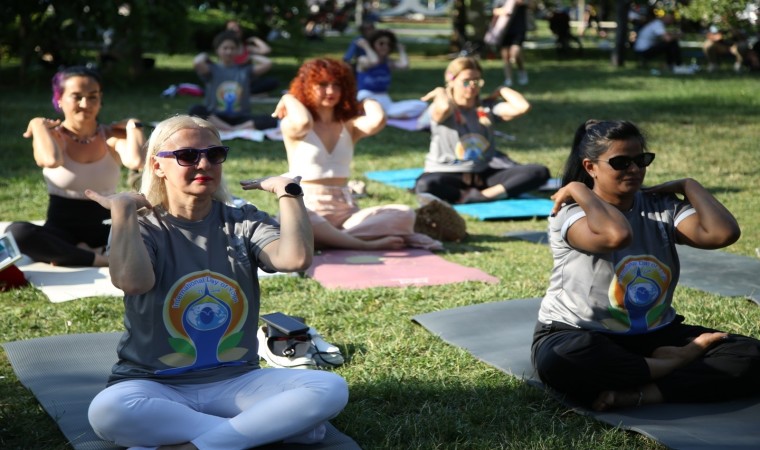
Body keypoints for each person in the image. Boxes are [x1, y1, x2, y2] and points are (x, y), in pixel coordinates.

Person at [85, 115, 349, 448]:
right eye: (187, 156)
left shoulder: (242, 221)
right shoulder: (143, 226)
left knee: (330, 388)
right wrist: (122, 215)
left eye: (214, 154)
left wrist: (289, 193)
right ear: (157, 166)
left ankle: (203, 443)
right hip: (154, 383)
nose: (204, 163)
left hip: (237, 381)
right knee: (108, 411)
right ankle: (263, 432)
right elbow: (133, 283)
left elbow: (294, 259)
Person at [531, 119, 760, 411]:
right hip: (580, 334)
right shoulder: (571, 214)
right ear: (591, 167)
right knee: (566, 360)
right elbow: (618, 235)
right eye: (621, 162)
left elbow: (722, 234)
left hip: (653, 335)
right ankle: (673, 363)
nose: (635, 169)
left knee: (750, 354)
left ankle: (645, 391)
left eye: (641, 160)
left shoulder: (659, 206)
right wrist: (579, 189)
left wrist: (689, 185)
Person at [275, 58, 442, 251]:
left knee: (404, 214)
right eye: (322, 85)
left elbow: (378, 120)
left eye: (337, 85)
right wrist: (289, 98)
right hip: (308, 205)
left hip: (346, 211)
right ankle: (363, 243)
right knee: (295, 217)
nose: (331, 91)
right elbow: (304, 122)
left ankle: (325, 239)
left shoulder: (350, 125)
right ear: (307, 87)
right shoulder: (293, 124)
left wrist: (365, 99)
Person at [8, 65, 145, 267]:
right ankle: (99, 260)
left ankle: (74, 255)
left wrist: (135, 125)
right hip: (62, 231)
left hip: (106, 228)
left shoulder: (111, 137)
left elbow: (137, 161)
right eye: (76, 96)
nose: (85, 104)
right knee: (17, 234)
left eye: (92, 96)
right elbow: (51, 160)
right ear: (59, 99)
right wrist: (37, 124)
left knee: (157, 228)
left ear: (100, 99)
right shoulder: (51, 136)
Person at [413, 57, 550, 205]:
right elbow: (443, 108)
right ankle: (464, 194)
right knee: (425, 185)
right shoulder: (443, 107)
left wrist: (502, 90)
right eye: (466, 81)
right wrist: (441, 92)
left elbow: (523, 107)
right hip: (448, 173)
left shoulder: (487, 108)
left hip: (483, 174)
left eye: (476, 81)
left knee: (539, 172)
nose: (471, 86)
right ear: (451, 80)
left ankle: (483, 196)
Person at [189, 30, 279, 131]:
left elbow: (267, 63)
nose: (229, 52)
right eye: (225, 48)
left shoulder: (244, 70)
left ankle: (233, 128)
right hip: (216, 117)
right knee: (196, 110)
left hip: (240, 117)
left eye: (233, 48)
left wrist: (249, 56)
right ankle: (231, 128)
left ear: (238, 50)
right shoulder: (211, 69)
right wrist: (206, 55)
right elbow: (197, 62)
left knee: (271, 119)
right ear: (217, 50)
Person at [355, 29, 428, 119]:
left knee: (421, 105)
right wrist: (366, 47)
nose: (385, 47)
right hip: (366, 97)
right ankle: (383, 115)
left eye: (388, 44)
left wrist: (401, 50)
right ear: (373, 44)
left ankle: (386, 115)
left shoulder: (388, 62)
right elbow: (374, 61)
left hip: (384, 98)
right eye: (381, 43)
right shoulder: (363, 60)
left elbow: (404, 66)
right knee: (376, 109)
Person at [225, 19, 280, 95]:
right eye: (232, 28)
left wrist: (255, 39)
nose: (236, 30)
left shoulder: (246, 47)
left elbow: (266, 50)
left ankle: (249, 93)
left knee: (273, 81)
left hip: (249, 80)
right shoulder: (225, 49)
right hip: (233, 80)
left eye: (237, 27)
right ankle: (251, 93)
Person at [493, 0, 529, 86]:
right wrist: (503, 11)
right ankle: (508, 79)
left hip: (519, 28)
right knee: (505, 56)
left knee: (515, 52)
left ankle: (521, 71)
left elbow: (532, 5)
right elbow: (495, 10)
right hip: (504, 28)